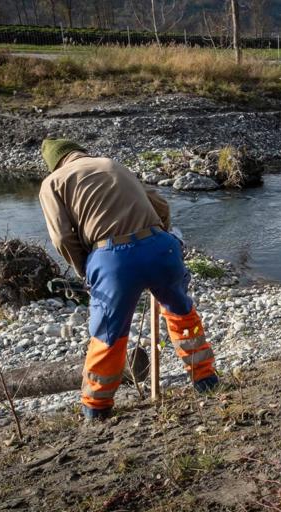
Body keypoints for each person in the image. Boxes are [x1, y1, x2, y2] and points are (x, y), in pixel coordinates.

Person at [38, 138, 219, 420]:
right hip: (161, 247)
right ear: (79, 152)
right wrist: (161, 237)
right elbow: (160, 203)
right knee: (180, 313)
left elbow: (61, 237)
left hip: (112, 257)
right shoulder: (111, 164)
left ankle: (95, 410)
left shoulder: (52, 183)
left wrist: (84, 268)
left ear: (54, 163)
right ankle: (206, 382)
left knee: (109, 335)